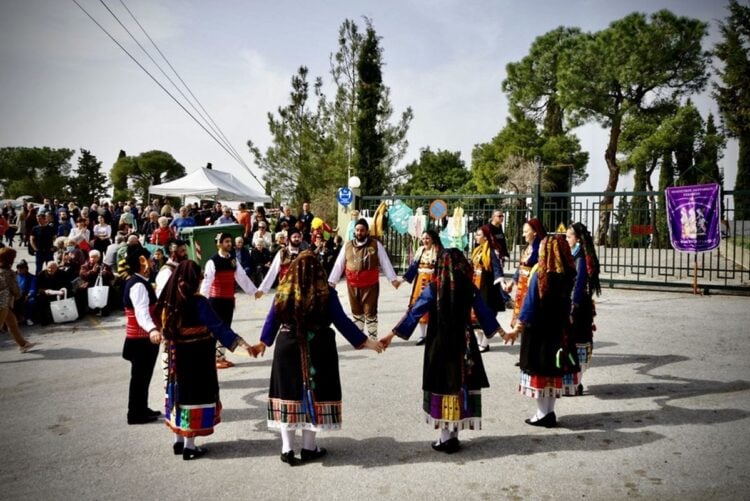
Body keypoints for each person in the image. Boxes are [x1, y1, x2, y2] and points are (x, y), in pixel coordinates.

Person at [255, 251, 383, 465]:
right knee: (315, 394)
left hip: (288, 345)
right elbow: (342, 322)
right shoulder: (326, 293)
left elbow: (272, 319)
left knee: (289, 394)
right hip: (319, 347)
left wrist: (263, 343)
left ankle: (287, 449)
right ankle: (308, 447)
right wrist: (368, 342)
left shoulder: (284, 290)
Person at [380, 248, 507, 453]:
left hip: (440, 344)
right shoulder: (468, 287)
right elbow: (484, 312)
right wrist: (503, 332)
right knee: (459, 382)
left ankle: (445, 438)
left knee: (443, 383)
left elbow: (414, 312)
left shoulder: (434, 287)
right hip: (464, 343)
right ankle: (453, 435)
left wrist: (391, 335)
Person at [155, 260, 256, 460]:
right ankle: (190, 447)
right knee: (195, 396)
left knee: (178, 393)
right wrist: (242, 346)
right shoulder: (198, 301)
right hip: (197, 355)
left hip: (176, 353)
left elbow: (160, 321)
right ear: (195, 279)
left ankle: (178, 440)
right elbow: (218, 327)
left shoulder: (169, 300)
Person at [504, 235, 580, 428]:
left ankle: (541, 413)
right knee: (553, 371)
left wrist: (517, 328)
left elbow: (529, 304)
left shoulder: (541, 274)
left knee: (539, 370)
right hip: (559, 327)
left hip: (539, 329)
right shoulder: (568, 273)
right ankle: (550, 411)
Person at [327, 218, 400, 340]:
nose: (359, 233)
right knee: (356, 311)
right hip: (352, 285)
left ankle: (372, 338)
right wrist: (332, 281)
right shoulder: (347, 245)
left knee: (370, 311)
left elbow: (385, 262)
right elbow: (339, 264)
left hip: (370, 285)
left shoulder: (376, 245)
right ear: (354, 231)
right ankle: (360, 338)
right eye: (357, 230)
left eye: (362, 230)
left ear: (367, 231)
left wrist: (393, 279)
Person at [199, 232, 258, 369]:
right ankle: (211, 358)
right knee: (215, 329)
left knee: (226, 328)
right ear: (219, 244)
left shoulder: (233, 260)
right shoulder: (212, 262)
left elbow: (241, 277)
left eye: (230, 241)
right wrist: (203, 300)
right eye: (226, 241)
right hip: (216, 301)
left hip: (228, 300)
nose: (229, 244)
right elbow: (207, 282)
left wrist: (253, 291)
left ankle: (220, 356)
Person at [121, 245, 162, 425]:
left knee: (143, 377)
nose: (153, 263)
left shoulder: (138, 282)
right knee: (139, 378)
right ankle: (135, 413)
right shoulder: (137, 285)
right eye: (150, 260)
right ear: (142, 263)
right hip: (140, 340)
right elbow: (141, 313)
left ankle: (141, 408)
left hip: (141, 340)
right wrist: (152, 329)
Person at [566, 222, 601, 396]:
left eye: (569, 236)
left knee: (578, 344)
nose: (566, 239)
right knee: (575, 344)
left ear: (578, 239)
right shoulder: (575, 255)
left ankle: (576, 384)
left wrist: (571, 307)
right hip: (579, 306)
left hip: (578, 308)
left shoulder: (580, 258)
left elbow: (578, 285)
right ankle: (574, 383)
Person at [401, 229, 442, 345]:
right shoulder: (420, 251)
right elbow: (413, 268)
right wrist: (402, 281)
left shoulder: (438, 252)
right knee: (418, 306)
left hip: (432, 282)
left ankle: (434, 335)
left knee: (434, 308)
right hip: (420, 281)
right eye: (423, 238)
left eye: (427, 238)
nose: (425, 240)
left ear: (433, 239)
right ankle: (422, 335)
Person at [504, 218, 546, 327]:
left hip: (532, 288)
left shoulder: (541, 249)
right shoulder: (528, 248)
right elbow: (521, 267)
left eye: (526, 232)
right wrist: (512, 282)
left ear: (535, 232)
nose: (523, 235)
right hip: (521, 287)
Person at [471, 225, 505, 352]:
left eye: (479, 235)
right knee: (474, 316)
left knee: (485, 314)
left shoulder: (491, 251)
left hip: (487, 288)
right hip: (476, 285)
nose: (476, 236)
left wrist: (501, 282)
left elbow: (497, 268)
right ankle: (480, 342)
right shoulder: (477, 250)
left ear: (485, 237)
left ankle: (484, 344)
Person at [0, 248, 37, 353]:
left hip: (4, 303)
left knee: (12, 323)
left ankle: (23, 344)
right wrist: (18, 296)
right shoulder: (9, 272)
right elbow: (15, 289)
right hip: (3, 302)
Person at [256, 227, 305, 297]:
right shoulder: (282, 253)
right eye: (294, 237)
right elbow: (272, 271)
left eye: (298, 237)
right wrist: (262, 289)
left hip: (299, 289)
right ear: (289, 239)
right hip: (284, 288)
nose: (297, 239)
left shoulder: (303, 253)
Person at [78, 249, 115, 316]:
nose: (93, 259)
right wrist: (92, 271)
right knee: (81, 290)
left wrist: (106, 273)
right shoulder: (85, 266)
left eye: (95, 257)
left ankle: (105, 309)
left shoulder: (104, 265)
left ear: (98, 257)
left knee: (109, 289)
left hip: (102, 284)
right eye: (91, 257)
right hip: (90, 284)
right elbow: (83, 276)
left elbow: (112, 277)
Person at [30, 211, 56, 275]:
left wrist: (54, 247)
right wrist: (35, 248)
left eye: (40, 219)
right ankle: (38, 282)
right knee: (38, 269)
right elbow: (31, 239)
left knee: (51, 267)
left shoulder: (50, 228)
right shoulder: (35, 228)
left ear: (44, 219)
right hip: (39, 251)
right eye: (37, 219)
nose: (38, 220)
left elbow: (55, 238)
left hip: (49, 251)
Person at [14, 259, 37, 326]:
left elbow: (33, 289)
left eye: (22, 268)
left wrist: (28, 295)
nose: (20, 269)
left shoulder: (32, 277)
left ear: (26, 269)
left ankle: (28, 318)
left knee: (31, 301)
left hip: (26, 295)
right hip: (15, 295)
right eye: (18, 268)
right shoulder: (13, 276)